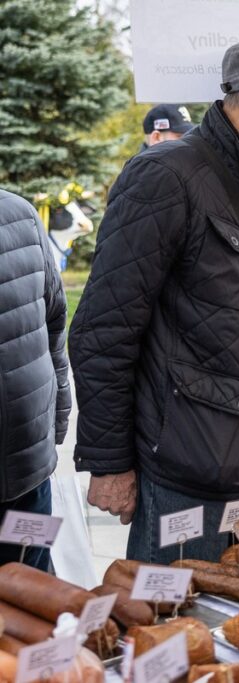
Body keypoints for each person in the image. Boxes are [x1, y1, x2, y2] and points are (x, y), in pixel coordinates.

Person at [69, 34, 239, 563]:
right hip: (181, 474)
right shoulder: (165, 176)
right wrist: (108, 464)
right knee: (173, 633)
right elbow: (102, 330)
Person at [0, 190, 71, 570]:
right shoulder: (21, 211)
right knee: (32, 581)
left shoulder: (21, 213)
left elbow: (54, 325)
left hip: (28, 466)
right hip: (30, 456)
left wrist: (55, 424)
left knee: (33, 588)